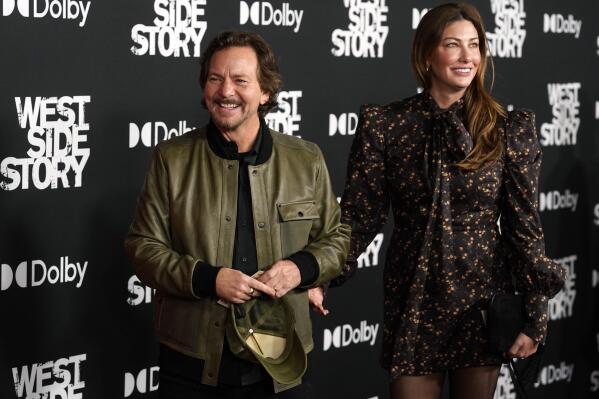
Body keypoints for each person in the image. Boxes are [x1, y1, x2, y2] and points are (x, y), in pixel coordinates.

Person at [322, 3, 566, 399]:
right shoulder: (386, 124)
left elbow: (524, 228)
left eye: (475, 45)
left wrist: (535, 314)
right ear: (426, 53)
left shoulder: (506, 129)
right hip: (414, 297)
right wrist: (321, 277)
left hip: (481, 298)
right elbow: (359, 219)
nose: (467, 56)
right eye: (453, 45)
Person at [125, 30, 350, 399]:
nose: (225, 91)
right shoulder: (172, 159)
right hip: (192, 361)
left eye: (240, 80)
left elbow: (336, 238)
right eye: (215, 78)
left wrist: (300, 269)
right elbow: (142, 246)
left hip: (283, 362)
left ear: (265, 92)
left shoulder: (306, 158)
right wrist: (208, 279)